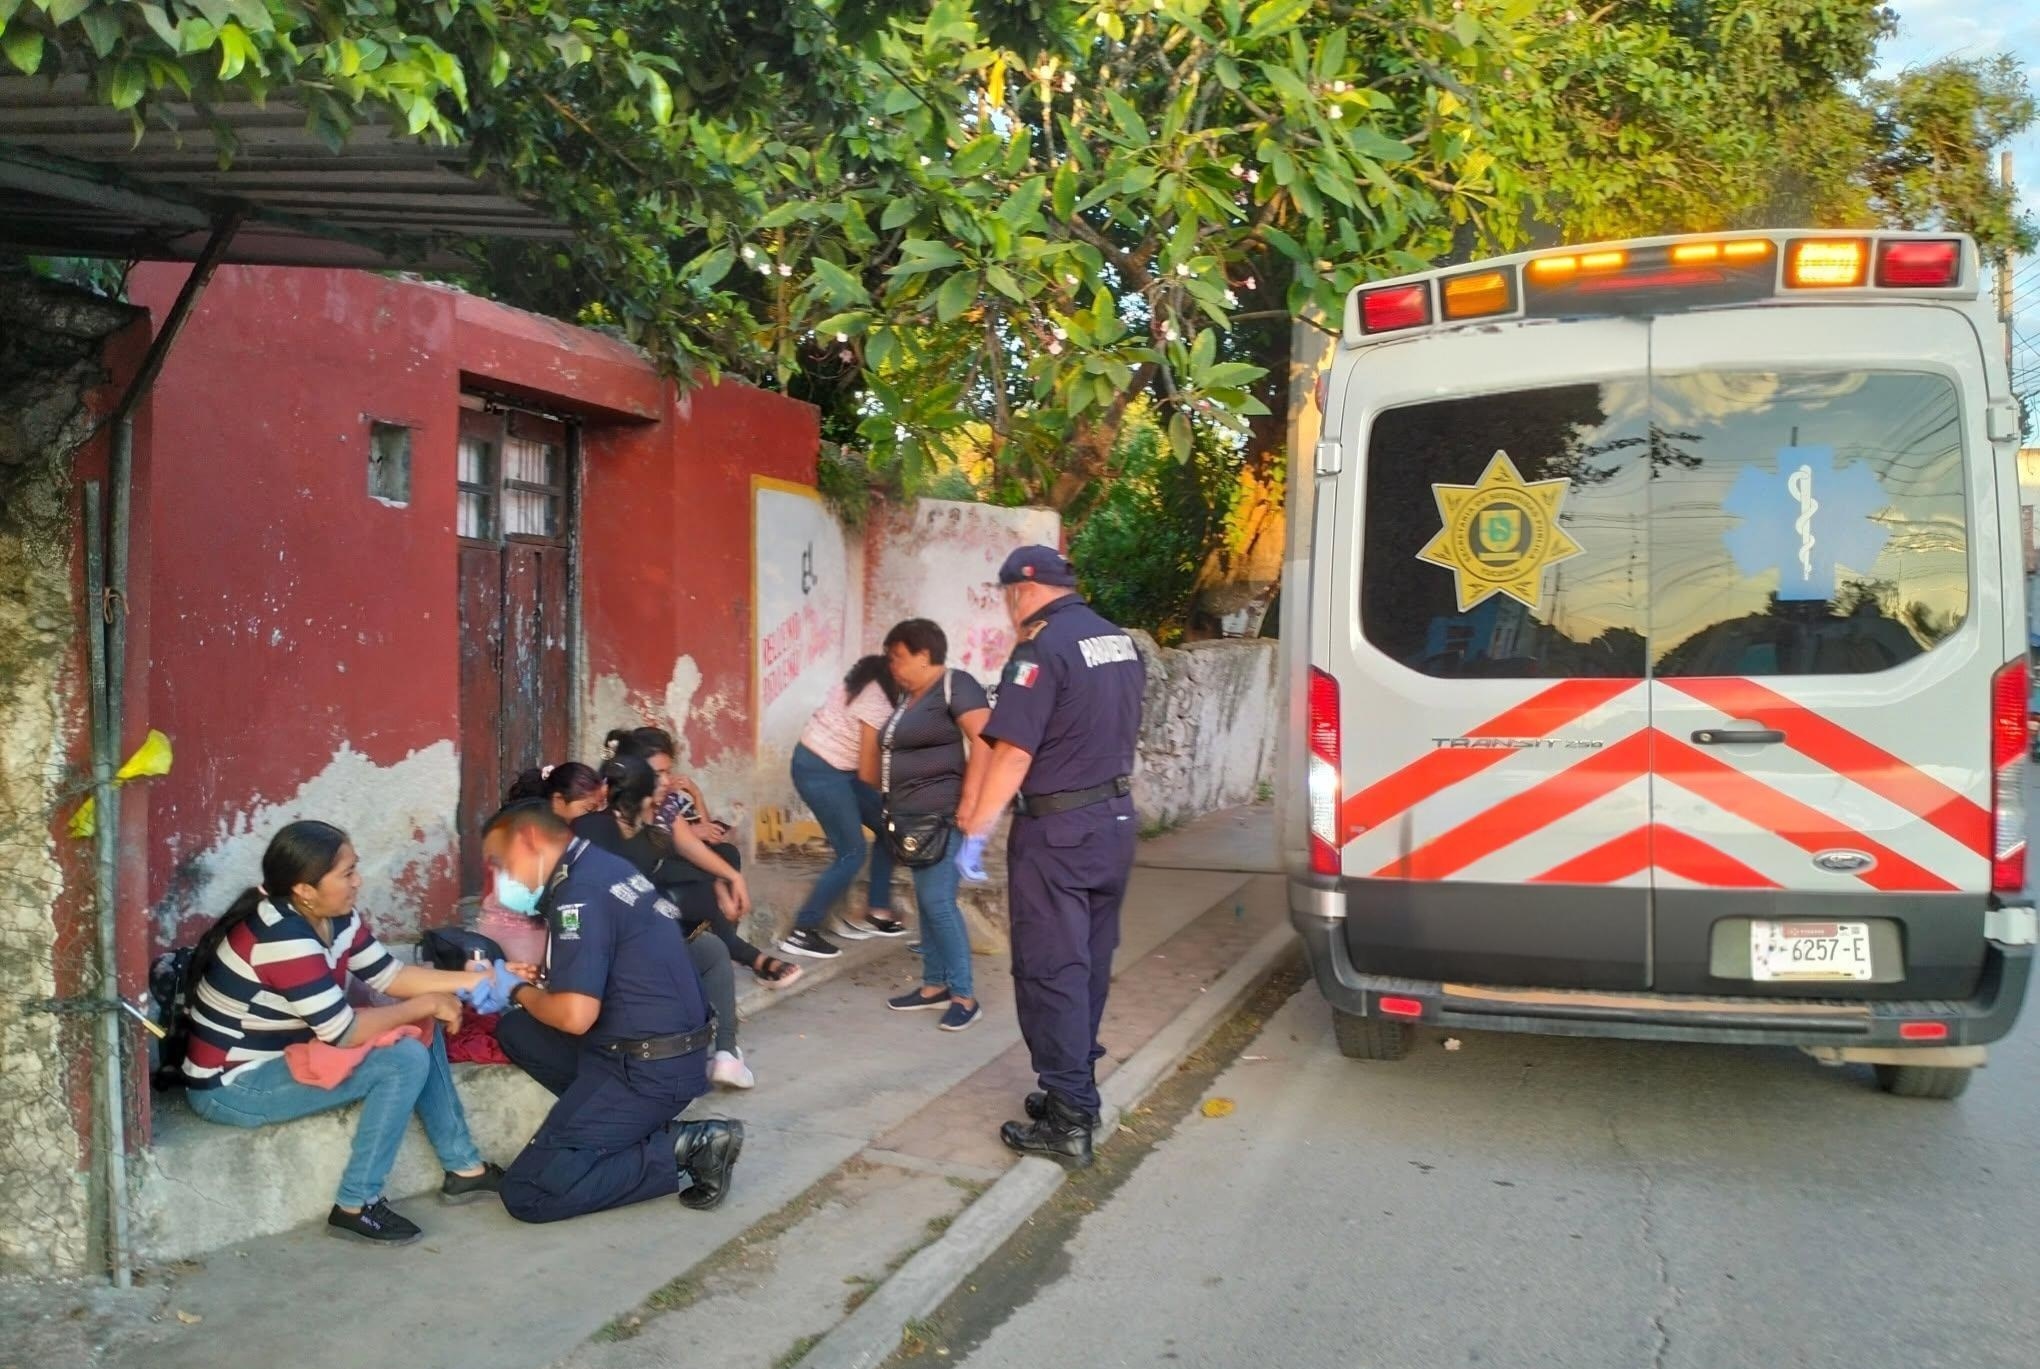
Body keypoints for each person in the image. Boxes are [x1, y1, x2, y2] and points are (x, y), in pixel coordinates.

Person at [179, 820, 508, 1245]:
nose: (358, 881)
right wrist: (428, 1002)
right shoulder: (281, 937)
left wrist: (479, 981)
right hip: (233, 1086)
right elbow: (343, 1033)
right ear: (305, 889)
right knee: (404, 1057)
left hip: (287, 1055)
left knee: (422, 1024)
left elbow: (390, 976)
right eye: (347, 873)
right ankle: (356, 1204)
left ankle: (465, 1170)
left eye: (356, 868)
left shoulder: (333, 917)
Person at [956, 547, 1144, 1168]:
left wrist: (976, 831)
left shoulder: (1040, 649)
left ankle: (1069, 1117)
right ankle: (1072, 1083)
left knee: (1050, 968)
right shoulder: (1116, 641)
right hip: (1113, 823)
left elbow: (1013, 753)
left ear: (1019, 593)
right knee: (1087, 963)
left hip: (1058, 834)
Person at [481, 801, 743, 1223]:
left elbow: (575, 1016)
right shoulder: (602, 866)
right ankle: (612, 1127)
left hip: (646, 1070)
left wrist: (516, 988)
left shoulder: (578, 896)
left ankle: (686, 1146)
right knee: (517, 1030)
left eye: (500, 862)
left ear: (528, 840)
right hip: (659, 1050)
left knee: (527, 1192)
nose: (500, 877)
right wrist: (529, 989)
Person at [559, 755, 759, 1087]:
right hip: (610, 960)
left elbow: (688, 851)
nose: (660, 810)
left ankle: (724, 1051)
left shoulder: (611, 830)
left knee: (709, 947)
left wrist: (725, 879)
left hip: (623, 949)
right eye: (655, 801)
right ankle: (722, 1050)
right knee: (708, 948)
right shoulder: (617, 835)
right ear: (641, 800)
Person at [863, 619, 991, 1031]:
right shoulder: (909, 699)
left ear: (923, 654)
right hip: (910, 820)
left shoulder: (956, 685)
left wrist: (970, 803)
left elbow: (986, 741)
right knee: (927, 901)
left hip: (943, 816)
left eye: (897, 657)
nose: (893, 665)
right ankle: (934, 985)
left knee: (938, 902)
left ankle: (964, 995)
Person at [609, 727, 802, 988]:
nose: (666, 782)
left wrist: (732, 877)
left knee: (723, 857)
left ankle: (727, 948)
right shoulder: (616, 810)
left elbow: (691, 846)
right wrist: (716, 883)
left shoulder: (664, 804)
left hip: (663, 883)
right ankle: (744, 955)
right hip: (627, 902)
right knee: (697, 888)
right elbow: (647, 866)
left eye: (667, 771)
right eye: (656, 774)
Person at [779, 654, 905, 960]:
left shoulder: (880, 686)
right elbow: (868, 770)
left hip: (842, 769)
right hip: (819, 769)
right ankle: (802, 931)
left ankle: (876, 910)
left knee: (891, 826)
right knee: (852, 851)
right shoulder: (876, 698)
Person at [480, 763, 606, 965]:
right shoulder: (530, 834)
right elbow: (521, 896)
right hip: (516, 932)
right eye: (588, 809)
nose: (593, 818)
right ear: (558, 801)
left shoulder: (564, 833)